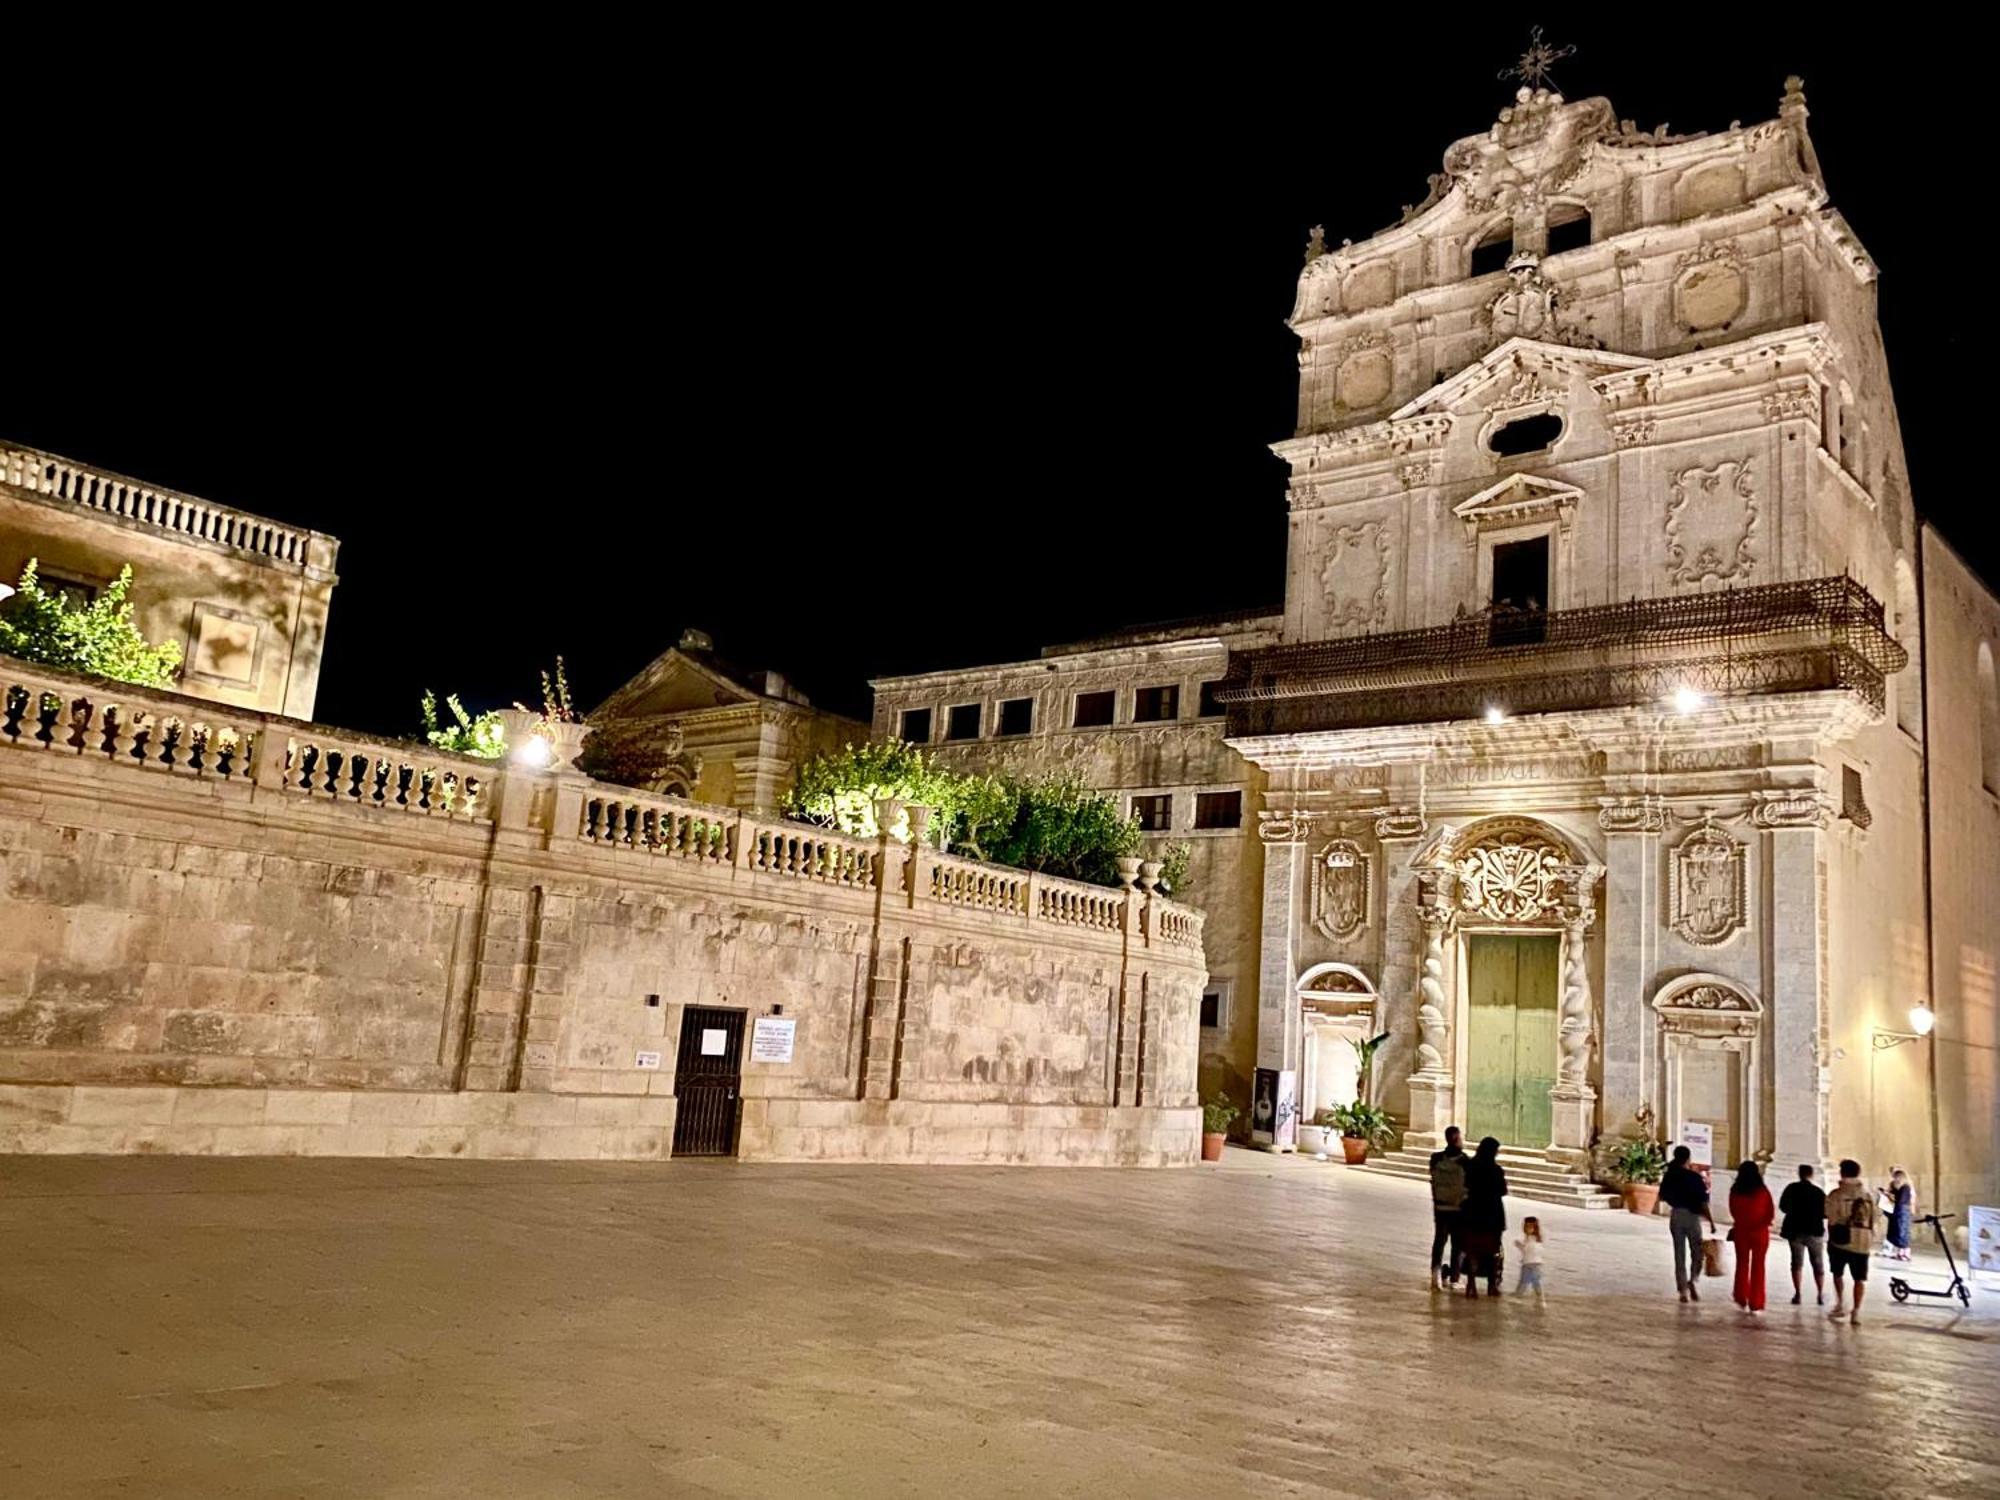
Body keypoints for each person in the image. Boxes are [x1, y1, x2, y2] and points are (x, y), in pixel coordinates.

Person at [1660, 1144, 1717, 1301]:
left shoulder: (1670, 1175)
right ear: (1688, 1158)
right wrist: (1711, 1222)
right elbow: (1703, 1202)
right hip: (1692, 1217)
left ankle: (1682, 1290)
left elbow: (1662, 1195)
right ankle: (1693, 1280)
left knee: (1679, 1254)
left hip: (1677, 1214)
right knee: (1697, 1252)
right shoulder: (1694, 1177)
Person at [1825, 1158, 1876, 1324]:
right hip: (1863, 1242)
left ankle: (1840, 1303)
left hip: (1841, 1240)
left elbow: (1830, 1217)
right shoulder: (1868, 1195)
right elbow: (1875, 1217)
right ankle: (1856, 1310)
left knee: (1837, 1273)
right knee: (1859, 1278)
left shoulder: (1836, 1195)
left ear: (1842, 1173)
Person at [1458, 1136, 1508, 1298]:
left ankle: (1471, 1284)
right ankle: (1491, 1285)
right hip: (1492, 1214)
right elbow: (1502, 1191)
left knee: (1472, 1250)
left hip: (1473, 1211)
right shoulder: (1496, 1170)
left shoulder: (1470, 1166)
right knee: (1492, 1250)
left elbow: (1465, 1185)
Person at [1727, 1160, 1775, 1315]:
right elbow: (1770, 1212)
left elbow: (1732, 1210)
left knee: (1742, 1264)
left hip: (1741, 1231)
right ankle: (1756, 1302)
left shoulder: (1735, 1191)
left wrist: (1741, 1221)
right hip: (1760, 1232)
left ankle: (1741, 1296)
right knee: (1758, 1266)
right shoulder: (1762, 1191)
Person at [1778, 1163, 1827, 1305]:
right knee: (1818, 1264)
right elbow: (1825, 1212)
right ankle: (1820, 1294)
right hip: (1814, 1231)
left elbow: (1783, 1206)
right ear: (1812, 1175)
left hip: (1794, 1231)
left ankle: (1798, 1293)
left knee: (1796, 1263)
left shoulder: (1791, 1189)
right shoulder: (1818, 1192)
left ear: (1799, 1174)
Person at [1427, 1126, 1468, 1291]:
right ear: (1457, 1139)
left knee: (1439, 1241)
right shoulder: (1465, 1160)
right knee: (1457, 1243)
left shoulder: (1436, 1158)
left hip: (1440, 1206)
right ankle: (1454, 1278)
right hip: (1458, 1208)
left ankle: (1435, 1275)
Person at [1884, 1167, 1914, 1262]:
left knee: (1903, 1232)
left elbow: (1901, 1200)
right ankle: (1900, 1252)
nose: (1894, 1180)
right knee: (1898, 1232)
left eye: (1896, 1178)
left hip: (1903, 1211)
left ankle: (1906, 1253)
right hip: (1899, 1211)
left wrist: (1891, 1197)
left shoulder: (1905, 1187)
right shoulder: (1898, 1187)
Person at [1514, 1216, 1546, 1301]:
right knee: (1535, 1281)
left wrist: (1519, 1245)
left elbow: (1527, 1250)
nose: (1526, 1229)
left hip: (1529, 1263)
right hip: (1536, 1263)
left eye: (1529, 1227)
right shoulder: (1537, 1239)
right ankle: (1539, 1296)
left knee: (1524, 1280)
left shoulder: (1531, 1239)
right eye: (1526, 1226)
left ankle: (1518, 1296)